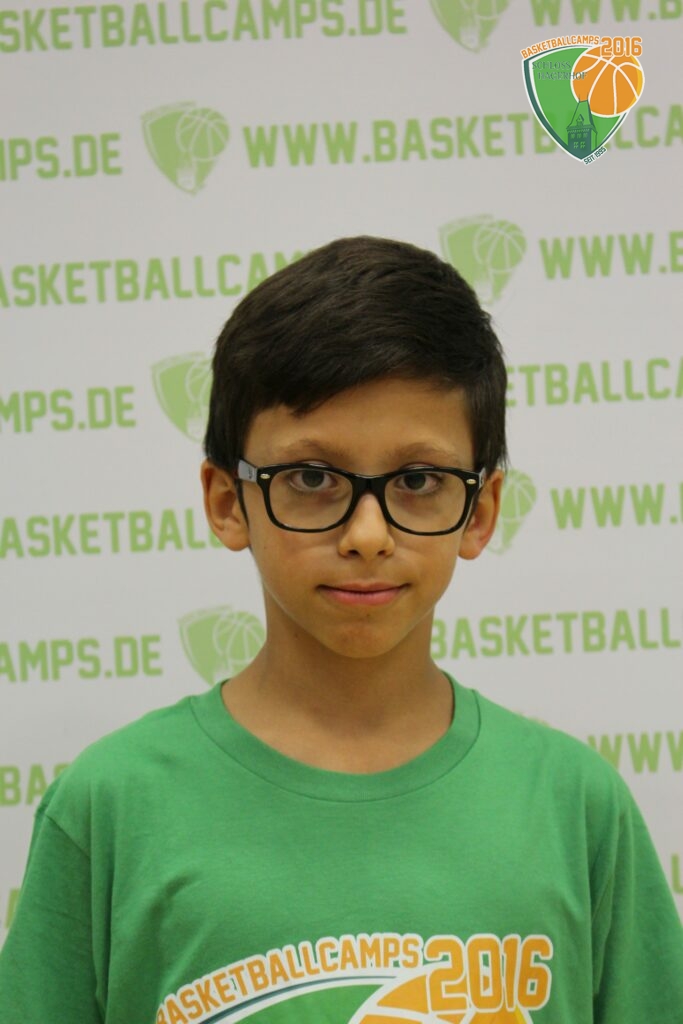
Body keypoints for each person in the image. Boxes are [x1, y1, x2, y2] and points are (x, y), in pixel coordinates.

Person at [0, 236, 680, 1023]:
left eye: (418, 480)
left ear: (480, 510)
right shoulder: (111, 807)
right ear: (226, 502)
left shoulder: (574, 806)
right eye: (311, 478)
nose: (366, 534)